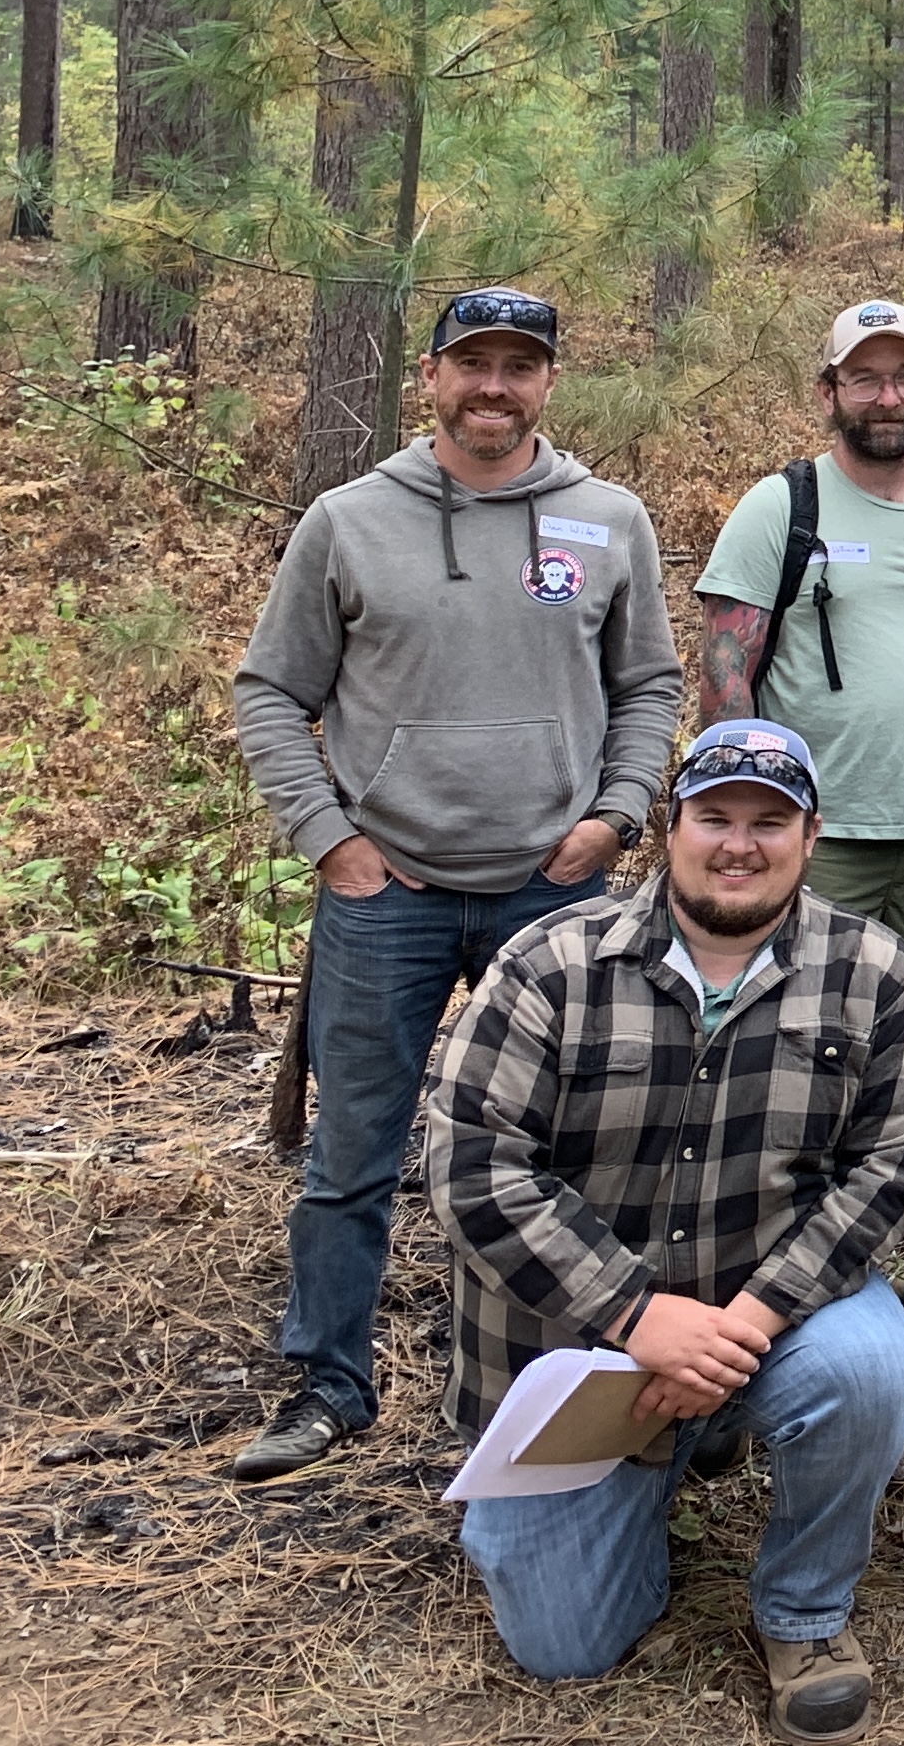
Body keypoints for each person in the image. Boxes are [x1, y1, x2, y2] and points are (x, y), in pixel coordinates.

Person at [227, 285, 683, 1482]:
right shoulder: (348, 520)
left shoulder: (607, 517)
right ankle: (330, 1383)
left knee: (589, 1147)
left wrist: (614, 818)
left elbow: (648, 685)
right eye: (471, 363)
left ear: (547, 382)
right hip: (393, 891)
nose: (495, 385)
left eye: (519, 365)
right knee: (354, 1155)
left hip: (559, 887)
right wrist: (333, 841)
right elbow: (272, 689)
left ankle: (583, 1376)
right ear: (429, 377)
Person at [424, 721, 904, 1744]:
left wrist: (741, 1326)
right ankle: (650, 1471)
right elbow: (471, 1167)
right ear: (670, 827)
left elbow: (893, 1173)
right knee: (564, 1646)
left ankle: (805, 1613)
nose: (738, 844)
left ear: (811, 835)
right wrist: (634, 1317)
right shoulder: (550, 964)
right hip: (570, 1361)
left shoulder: (878, 974)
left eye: (768, 822)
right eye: (715, 817)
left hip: (767, 1320)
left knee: (870, 1365)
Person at [691, 297, 904, 1001]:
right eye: (864, 379)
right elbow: (726, 670)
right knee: (797, 1001)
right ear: (828, 392)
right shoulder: (782, 507)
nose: (887, 398)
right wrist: (760, 812)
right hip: (815, 829)